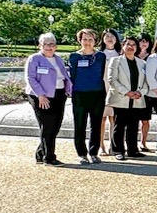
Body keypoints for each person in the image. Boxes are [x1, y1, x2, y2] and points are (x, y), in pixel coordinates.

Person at [25, 33, 73, 165]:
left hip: (59, 95)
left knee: (56, 126)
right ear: (40, 46)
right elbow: (31, 78)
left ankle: (40, 153)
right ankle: (49, 157)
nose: (49, 47)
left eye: (51, 44)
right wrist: (40, 95)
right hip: (40, 96)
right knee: (47, 126)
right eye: (45, 44)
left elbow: (64, 75)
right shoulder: (34, 59)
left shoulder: (58, 59)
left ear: (56, 46)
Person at [107, 36, 148, 161]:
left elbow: (146, 82)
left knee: (133, 125)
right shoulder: (116, 61)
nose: (131, 47)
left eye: (133, 45)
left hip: (136, 99)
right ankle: (118, 150)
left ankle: (132, 150)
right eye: (128, 44)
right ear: (123, 46)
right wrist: (127, 92)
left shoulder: (142, 63)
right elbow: (112, 80)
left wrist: (140, 93)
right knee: (119, 126)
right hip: (121, 98)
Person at [68, 29, 106, 164]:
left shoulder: (101, 56)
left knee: (96, 124)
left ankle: (94, 152)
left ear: (95, 41)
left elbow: (102, 74)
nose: (87, 42)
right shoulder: (74, 57)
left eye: (90, 39)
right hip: (80, 94)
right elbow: (72, 75)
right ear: (80, 40)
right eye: (85, 39)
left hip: (97, 93)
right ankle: (82, 154)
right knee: (80, 124)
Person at [98, 29, 121, 156]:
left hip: (116, 90)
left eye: (112, 36)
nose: (109, 38)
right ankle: (101, 146)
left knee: (114, 119)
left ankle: (113, 145)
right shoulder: (99, 54)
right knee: (102, 119)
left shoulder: (120, 54)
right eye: (106, 36)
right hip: (102, 88)